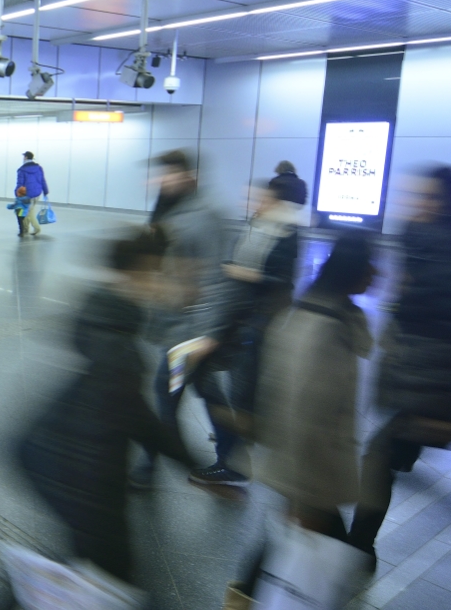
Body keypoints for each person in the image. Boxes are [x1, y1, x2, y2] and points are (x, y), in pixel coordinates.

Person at [20, 228, 194, 582]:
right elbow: (138, 416)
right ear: (138, 273)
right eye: (160, 273)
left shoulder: (110, 318)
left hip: (65, 462)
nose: (165, 284)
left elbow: (134, 413)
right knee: (105, 575)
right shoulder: (116, 342)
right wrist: (196, 465)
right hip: (82, 473)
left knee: (77, 570)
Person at [347, 166, 451, 563]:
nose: (417, 205)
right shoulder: (429, 246)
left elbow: (450, 336)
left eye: (430, 198)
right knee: (384, 458)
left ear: (447, 204)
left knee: (377, 460)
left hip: (423, 385)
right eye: (415, 196)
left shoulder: (441, 256)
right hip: (410, 377)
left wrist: (428, 400)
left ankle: (359, 544)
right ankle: (360, 541)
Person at [235, 232, 376, 605]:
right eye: (370, 266)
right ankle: (244, 597)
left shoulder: (321, 314)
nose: (377, 274)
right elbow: (304, 413)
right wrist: (304, 497)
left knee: (302, 550)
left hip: (311, 470)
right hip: (311, 471)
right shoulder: (324, 329)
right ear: (353, 271)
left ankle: (243, 596)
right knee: (312, 554)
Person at [188, 177, 302, 489]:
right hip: (239, 321)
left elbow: (279, 280)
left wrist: (244, 274)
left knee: (231, 389)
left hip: (254, 325)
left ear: (277, 202)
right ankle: (236, 444)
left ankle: (233, 459)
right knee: (230, 389)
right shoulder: (260, 227)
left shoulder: (284, 233)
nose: (253, 204)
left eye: (260, 200)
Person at [133, 148, 231, 490]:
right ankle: (233, 459)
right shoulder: (170, 210)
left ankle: (151, 464)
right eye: (161, 175)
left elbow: (215, 280)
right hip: (176, 325)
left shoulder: (204, 216)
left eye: (170, 174)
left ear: (189, 176)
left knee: (165, 393)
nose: (163, 180)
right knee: (208, 392)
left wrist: (207, 333)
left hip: (189, 333)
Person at [14, 151, 49, 238]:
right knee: (28, 210)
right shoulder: (39, 168)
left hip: (27, 194)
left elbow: (20, 184)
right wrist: (45, 190)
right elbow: (42, 180)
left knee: (28, 212)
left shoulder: (22, 170)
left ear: (26, 157)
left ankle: (36, 228)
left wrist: (16, 193)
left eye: (24, 156)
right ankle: (25, 228)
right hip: (37, 193)